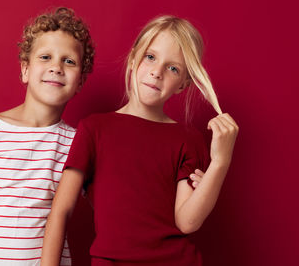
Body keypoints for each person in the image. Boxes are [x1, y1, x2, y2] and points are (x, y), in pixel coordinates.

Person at [41, 15, 238, 265]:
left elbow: (188, 221)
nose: (157, 72)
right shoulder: (94, 129)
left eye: (173, 68)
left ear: (182, 84)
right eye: (151, 57)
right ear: (134, 58)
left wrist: (220, 162)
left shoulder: (188, 138)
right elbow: (61, 211)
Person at [0, 7, 95, 266]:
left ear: (80, 81)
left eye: (68, 61)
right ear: (25, 70)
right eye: (45, 57)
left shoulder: (80, 143)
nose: (56, 67)